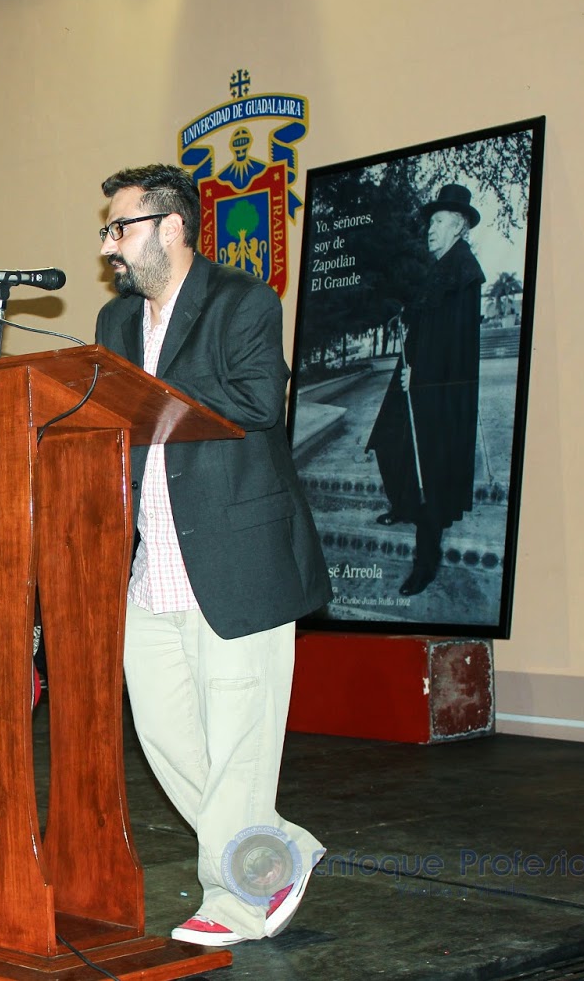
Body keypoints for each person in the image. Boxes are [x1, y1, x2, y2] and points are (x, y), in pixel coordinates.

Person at [93, 163, 330, 948]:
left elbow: (262, 399)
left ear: (170, 226)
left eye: (119, 228)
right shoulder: (114, 325)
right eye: (107, 231)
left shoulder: (243, 303)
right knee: (167, 739)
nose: (108, 247)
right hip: (151, 569)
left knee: (239, 747)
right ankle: (279, 852)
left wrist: (152, 397)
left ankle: (235, 901)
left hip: (239, 562)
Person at [366, 182, 486, 596]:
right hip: (417, 378)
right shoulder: (443, 268)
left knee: (431, 472)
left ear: (457, 227)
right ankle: (403, 505)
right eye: (431, 221)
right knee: (388, 439)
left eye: (437, 222)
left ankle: (426, 562)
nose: (430, 229)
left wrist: (421, 379)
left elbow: (456, 345)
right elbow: (426, 318)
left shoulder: (464, 274)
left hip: (437, 391)